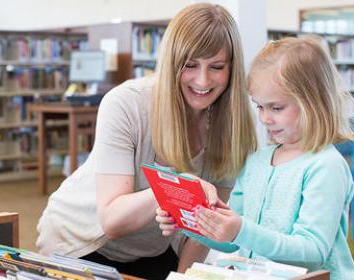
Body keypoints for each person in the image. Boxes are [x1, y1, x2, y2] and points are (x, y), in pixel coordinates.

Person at [36, 3, 257, 279]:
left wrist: (181, 276)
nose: (203, 80)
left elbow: (204, 230)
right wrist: (180, 189)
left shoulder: (233, 127)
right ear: (172, 62)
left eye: (216, 67)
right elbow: (112, 219)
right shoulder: (126, 103)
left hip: (152, 248)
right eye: (190, 65)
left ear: (232, 68)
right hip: (82, 241)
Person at [157, 36, 354, 279]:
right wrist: (192, 223)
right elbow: (233, 242)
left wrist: (240, 229)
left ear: (313, 103)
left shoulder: (326, 166)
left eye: (276, 108)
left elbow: (313, 251)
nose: (265, 119)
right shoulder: (256, 162)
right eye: (260, 107)